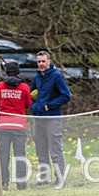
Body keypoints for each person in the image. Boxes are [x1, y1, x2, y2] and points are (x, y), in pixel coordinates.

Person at [30, 50, 71, 187]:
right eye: (39, 61)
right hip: (38, 118)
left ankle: (60, 178)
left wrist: (50, 105)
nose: (41, 64)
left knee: (55, 149)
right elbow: (31, 94)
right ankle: (44, 177)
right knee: (40, 149)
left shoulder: (56, 76)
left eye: (43, 61)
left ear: (49, 61)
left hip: (52, 118)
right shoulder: (37, 77)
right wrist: (34, 106)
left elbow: (66, 95)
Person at [0, 61, 32, 190]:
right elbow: (27, 105)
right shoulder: (24, 87)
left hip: (3, 124)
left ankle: (4, 182)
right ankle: (21, 183)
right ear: (18, 73)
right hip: (19, 125)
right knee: (20, 154)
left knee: (3, 154)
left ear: (6, 72)